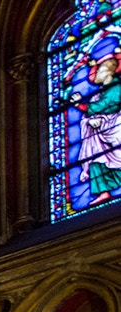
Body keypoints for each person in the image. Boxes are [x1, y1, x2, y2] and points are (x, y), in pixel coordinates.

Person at [72, 55, 121, 205]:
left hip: (114, 128)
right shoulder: (102, 90)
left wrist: (81, 105)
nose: (94, 73)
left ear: (107, 72)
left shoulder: (116, 87)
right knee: (95, 157)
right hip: (101, 130)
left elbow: (105, 105)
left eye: (98, 69)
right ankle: (104, 192)